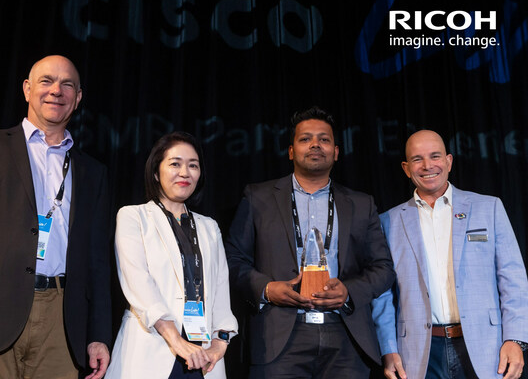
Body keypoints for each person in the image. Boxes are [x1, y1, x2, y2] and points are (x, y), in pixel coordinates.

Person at [0, 55, 112, 379]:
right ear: (27, 89)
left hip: (63, 323)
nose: (57, 90)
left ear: (78, 98)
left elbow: (97, 261)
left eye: (67, 84)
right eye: (46, 81)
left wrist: (98, 334)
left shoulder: (93, 171)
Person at [225, 106, 395, 378]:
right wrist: (267, 289)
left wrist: (349, 292)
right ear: (291, 151)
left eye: (324, 139)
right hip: (279, 339)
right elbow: (233, 261)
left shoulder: (362, 204)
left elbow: (384, 269)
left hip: (346, 338)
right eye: (305, 139)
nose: (315, 144)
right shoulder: (258, 198)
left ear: (336, 152)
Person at [372, 129, 528, 379]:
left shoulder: (489, 208)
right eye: (417, 159)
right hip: (418, 354)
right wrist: (388, 348)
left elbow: (513, 280)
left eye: (435, 156)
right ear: (405, 167)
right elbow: (382, 294)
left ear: (448, 161)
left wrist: (515, 339)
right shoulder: (387, 221)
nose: (427, 166)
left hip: (486, 346)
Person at [106, 131, 238, 379]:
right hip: (153, 348)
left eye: (193, 165)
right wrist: (176, 341)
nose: (185, 172)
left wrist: (220, 345)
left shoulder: (209, 227)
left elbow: (221, 289)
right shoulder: (133, 216)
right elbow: (138, 283)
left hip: (204, 355)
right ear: (156, 172)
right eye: (175, 164)